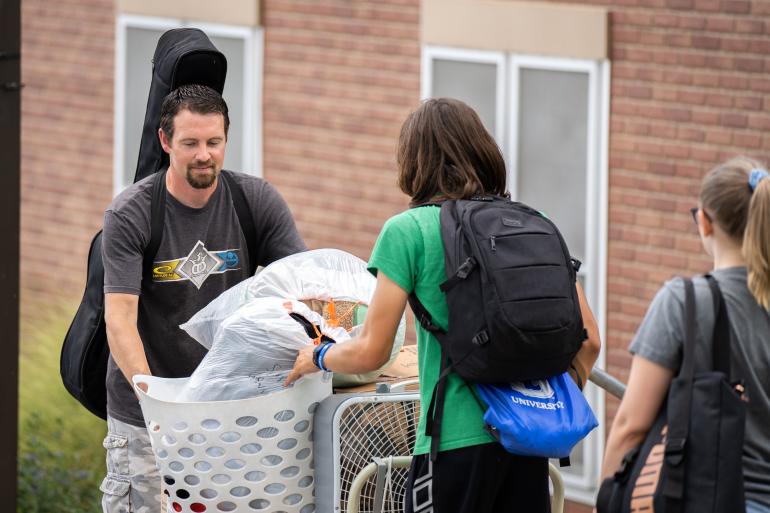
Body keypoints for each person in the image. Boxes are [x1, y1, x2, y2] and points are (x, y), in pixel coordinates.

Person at [286, 97, 601, 513]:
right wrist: (543, 402)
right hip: (528, 442)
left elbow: (373, 351)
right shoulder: (534, 220)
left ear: (413, 162)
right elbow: (590, 341)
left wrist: (318, 356)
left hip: (451, 444)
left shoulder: (408, 230)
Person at [100, 84, 306, 512]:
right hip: (148, 414)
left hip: (230, 409)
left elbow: (302, 289)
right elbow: (119, 317)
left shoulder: (255, 200)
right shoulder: (132, 213)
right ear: (165, 141)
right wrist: (155, 398)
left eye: (214, 142)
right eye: (190, 143)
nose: (203, 155)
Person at [601, 156, 770, 512]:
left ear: (705, 222)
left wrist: (607, 499)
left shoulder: (685, 302)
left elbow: (631, 426)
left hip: (713, 499)